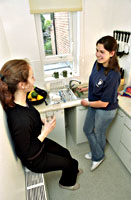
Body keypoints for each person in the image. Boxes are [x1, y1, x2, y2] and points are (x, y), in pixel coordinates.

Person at [0, 59, 83, 190]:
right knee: (68, 162)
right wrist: (46, 131)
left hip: (38, 142)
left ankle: (72, 169)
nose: (34, 79)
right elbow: (27, 153)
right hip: (35, 158)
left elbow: (30, 121)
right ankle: (67, 183)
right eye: (32, 76)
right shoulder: (19, 119)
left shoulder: (22, 100)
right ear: (22, 84)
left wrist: (41, 122)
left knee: (66, 153)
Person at [79, 36, 121, 171]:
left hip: (105, 110)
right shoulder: (97, 63)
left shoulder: (114, 76)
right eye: (97, 50)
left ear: (112, 53)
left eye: (102, 52)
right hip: (94, 103)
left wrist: (87, 103)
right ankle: (97, 151)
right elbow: (95, 82)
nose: (98, 54)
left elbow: (103, 103)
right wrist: (86, 88)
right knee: (87, 129)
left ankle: (98, 156)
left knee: (99, 133)